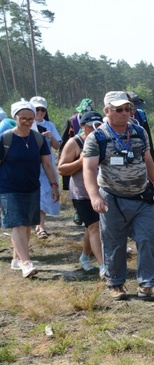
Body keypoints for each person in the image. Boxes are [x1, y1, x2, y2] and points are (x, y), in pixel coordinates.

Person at [82, 91, 154, 301]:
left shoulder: (138, 132)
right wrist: (95, 196)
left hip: (141, 198)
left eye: (128, 109)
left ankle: (148, 284)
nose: (124, 113)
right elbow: (89, 169)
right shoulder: (97, 137)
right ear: (107, 111)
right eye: (119, 110)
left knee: (147, 239)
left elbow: (148, 161)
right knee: (114, 242)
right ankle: (115, 283)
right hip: (112, 199)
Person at [0, 100, 59, 278]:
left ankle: (17, 259)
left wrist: (54, 185)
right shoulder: (5, 139)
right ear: (15, 117)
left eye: (31, 119)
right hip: (8, 188)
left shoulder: (38, 139)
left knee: (26, 226)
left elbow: (47, 164)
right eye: (23, 118)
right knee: (17, 225)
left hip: (32, 187)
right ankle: (26, 263)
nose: (27, 122)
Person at [58, 111, 105, 275]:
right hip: (82, 194)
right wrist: (80, 161)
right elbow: (61, 168)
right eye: (92, 126)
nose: (95, 129)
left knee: (93, 228)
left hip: (104, 193)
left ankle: (85, 256)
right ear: (83, 126)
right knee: (95, 226)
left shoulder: (106, 140)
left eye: (99, 125)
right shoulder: (75, 142)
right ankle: (103, 266)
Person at [29, 96, 61, 239]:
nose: (40, 112)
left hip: (46, 165)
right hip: (31, 165)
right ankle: (38, 225)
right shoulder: (28, 124)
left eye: (42, 109)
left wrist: (50, 137)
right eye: (37, 109)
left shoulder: (49, 125)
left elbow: (57, 146)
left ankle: (40, 225)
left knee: (45, 194)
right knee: (36, 194)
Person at [126, 92, 154, 165]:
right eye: (131, 108)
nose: (134, 111)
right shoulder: (118, 119)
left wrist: (153, 161)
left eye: (136, 108)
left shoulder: (141, 115)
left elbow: (148, 139)